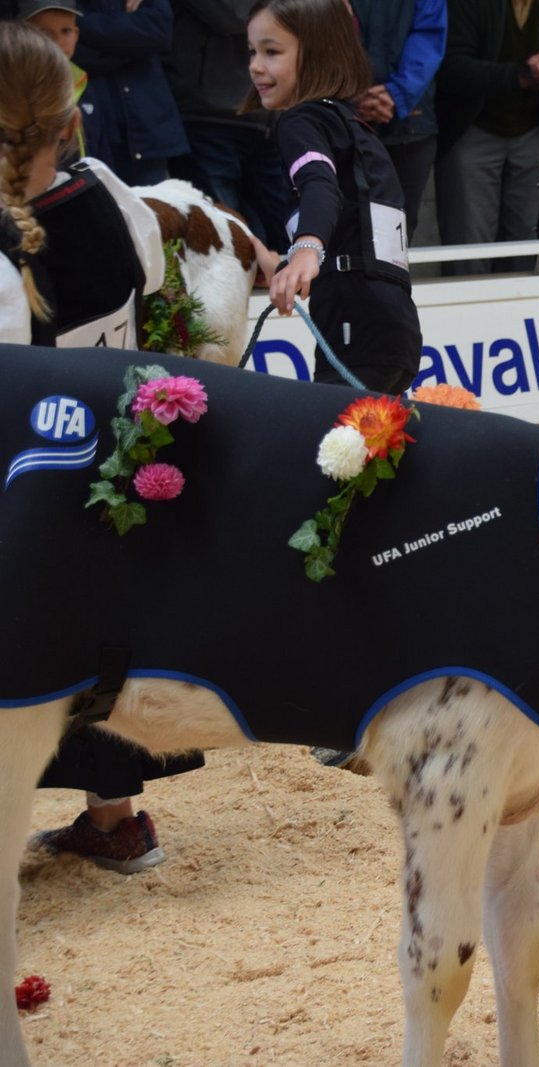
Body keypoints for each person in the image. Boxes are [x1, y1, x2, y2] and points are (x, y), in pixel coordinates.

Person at [1, 20, 202, 873]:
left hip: (31, 492)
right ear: (69, 120)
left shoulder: (7, 254)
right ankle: (116, 820)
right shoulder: (109, 194)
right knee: (102, 644)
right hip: (117, 471)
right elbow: (150, 281)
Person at [243, 0, 422, 394]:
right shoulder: (352, 125)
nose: (255, 65)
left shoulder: (300, 121)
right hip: (396, 331)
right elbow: (353, 225)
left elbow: (319, 184)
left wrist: (307, 248)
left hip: (353, 325)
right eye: (252, 51)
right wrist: (282, 262)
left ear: (318, 53)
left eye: (271, 52)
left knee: (333, 432)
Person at [434, 0, 539, 272]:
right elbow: (449, 66)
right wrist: (519, 76)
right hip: (472, 127)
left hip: (535, 130)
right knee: (467, 248)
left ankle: (531, 302)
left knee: (533, 248)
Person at [165, 0, 292, 252]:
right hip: (209, 115)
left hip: (263, 113)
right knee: (224, 239)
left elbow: (274, 18)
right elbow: (235, 15)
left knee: (283, 236)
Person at [351, 0, 447, 242]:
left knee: (397, 233)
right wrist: (352, 92)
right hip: (347, 119)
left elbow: (428, 37)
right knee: (346, 226)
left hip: (410, 124)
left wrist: (397, 94)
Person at [73, 0, 190, 185]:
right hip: (89, 130)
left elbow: (158, 31)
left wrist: (81, 24)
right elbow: (64, 46)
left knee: (149, 202)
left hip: (147, 129)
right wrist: (133, 49)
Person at [19, 0, 88, 159]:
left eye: (66, 31)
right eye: (44, 32)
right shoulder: (13, 87)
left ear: (76, 35)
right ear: (22, 34)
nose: (57, 41)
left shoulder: (82, 81)